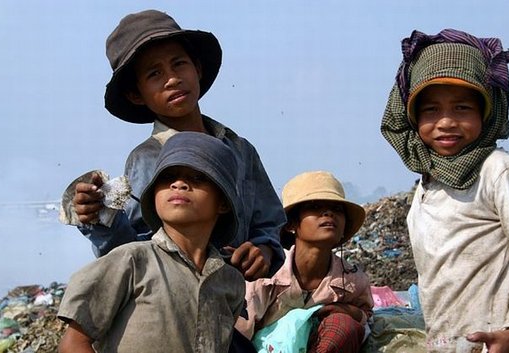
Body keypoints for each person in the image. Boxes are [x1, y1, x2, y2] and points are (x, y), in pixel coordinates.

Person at [70, 9, 285, 279]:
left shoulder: (239, 148)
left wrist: (263, 249)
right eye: (154, 74)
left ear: (197, 68)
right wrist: (100, 217)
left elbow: (269, 219)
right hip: (178, 300)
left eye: (179, 64)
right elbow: (135, 247)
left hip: (241, 296)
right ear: (137, 94)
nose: (172, 79)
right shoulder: (147, 159)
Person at [381, 28, 509, 353]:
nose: (446, 122)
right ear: (413, 118)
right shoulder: (428, 183)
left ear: (485, 114)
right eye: (431, 110)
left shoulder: (497, 171)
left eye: (462, 108)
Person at [58, 132, 246, 353]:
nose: (179, 184)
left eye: (197, 178)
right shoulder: (131, 261)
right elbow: (73, 344)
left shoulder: (230, 282)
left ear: (223, 203)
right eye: (168, 178)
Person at [235, 171, 374, 353]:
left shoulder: (353, 281)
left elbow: (367, 318)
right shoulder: (266, 276)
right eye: (315, 206)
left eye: (337, 209)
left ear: (343, 229)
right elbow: (239, 334)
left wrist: (349, 311)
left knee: (343, 325)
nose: (328, 213)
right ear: (292, 224)